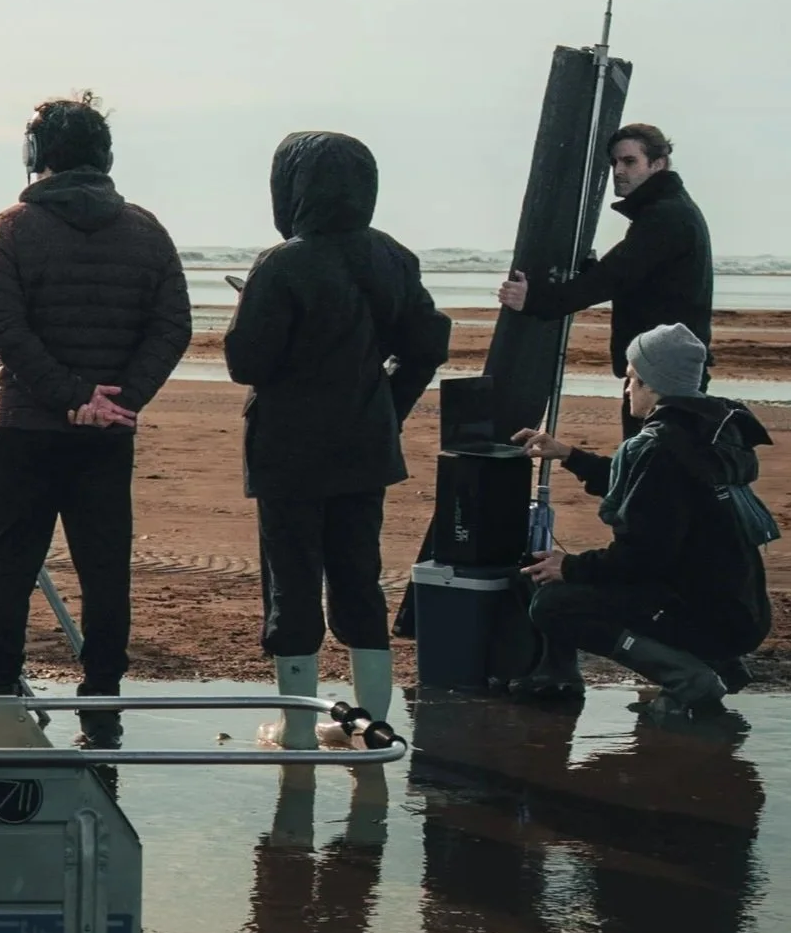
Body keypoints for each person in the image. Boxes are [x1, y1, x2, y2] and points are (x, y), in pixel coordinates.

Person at [223, 131, 450, 749]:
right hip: (363, 447)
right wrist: (385, 407)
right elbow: (427, 346)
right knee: (359, 576)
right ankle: (373, 721)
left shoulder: (283, 262)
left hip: (288, 451)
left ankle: (296, 728)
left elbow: (247, 363)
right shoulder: (393, 257)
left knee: (291, 584)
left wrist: (250, 311)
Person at [0, 95, 191, 745]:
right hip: (107, 434)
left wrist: (73, 395)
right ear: (105, 157)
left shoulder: (10, 227)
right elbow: (172, 325)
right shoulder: (147, 230)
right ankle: (102, 699)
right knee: (104, 568)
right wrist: (122, 398)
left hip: (26, 426)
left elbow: (2, 329)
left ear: (36, 155)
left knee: (8, 565)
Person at [518, 322, 772, 716]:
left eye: (632, 377)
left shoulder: (661, 448)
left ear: (655, 383)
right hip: (740, 609)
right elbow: (652, 495)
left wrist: (570, 566)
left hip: (709, 616)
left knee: (554, 604)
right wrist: (569, 454)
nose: (626, 388)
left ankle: (689, 676)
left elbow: (642, 555)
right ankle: (720, 664)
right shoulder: (709, 430)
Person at [498, 123, 712, 405]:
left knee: (656, 447)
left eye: (630, 161)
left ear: (657, 164)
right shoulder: (669, 209)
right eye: (614, 162)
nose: (618, 170)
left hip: (664, 371)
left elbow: (612, 278)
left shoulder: (666, 216)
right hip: (663, 363)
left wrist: (535, 300)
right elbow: (635, 278)